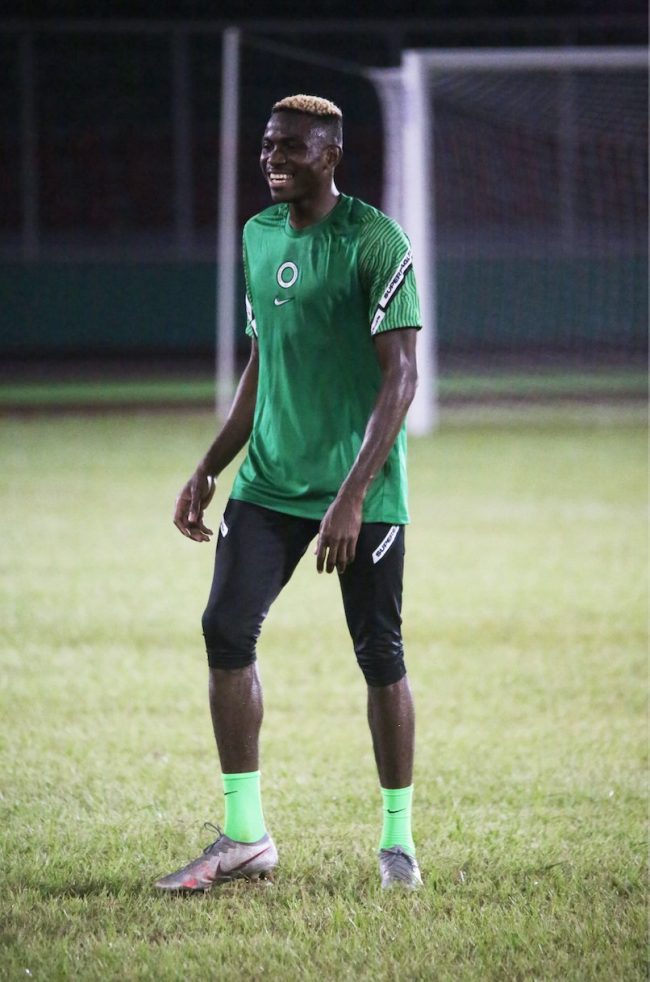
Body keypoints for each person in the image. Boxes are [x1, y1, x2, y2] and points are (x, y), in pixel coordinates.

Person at [155, 94, 422, 892]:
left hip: (357, 485)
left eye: (291, 148)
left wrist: (353, 495)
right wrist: (211, 464)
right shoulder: (258, 235)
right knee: (224, 629)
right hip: (270, 479)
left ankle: (398, 843)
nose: (273, 158)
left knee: (379, 654)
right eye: (268, 145)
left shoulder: (376, 240)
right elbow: (262, 362)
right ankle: (245, 836)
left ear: (330, 155)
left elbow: (402, 377)